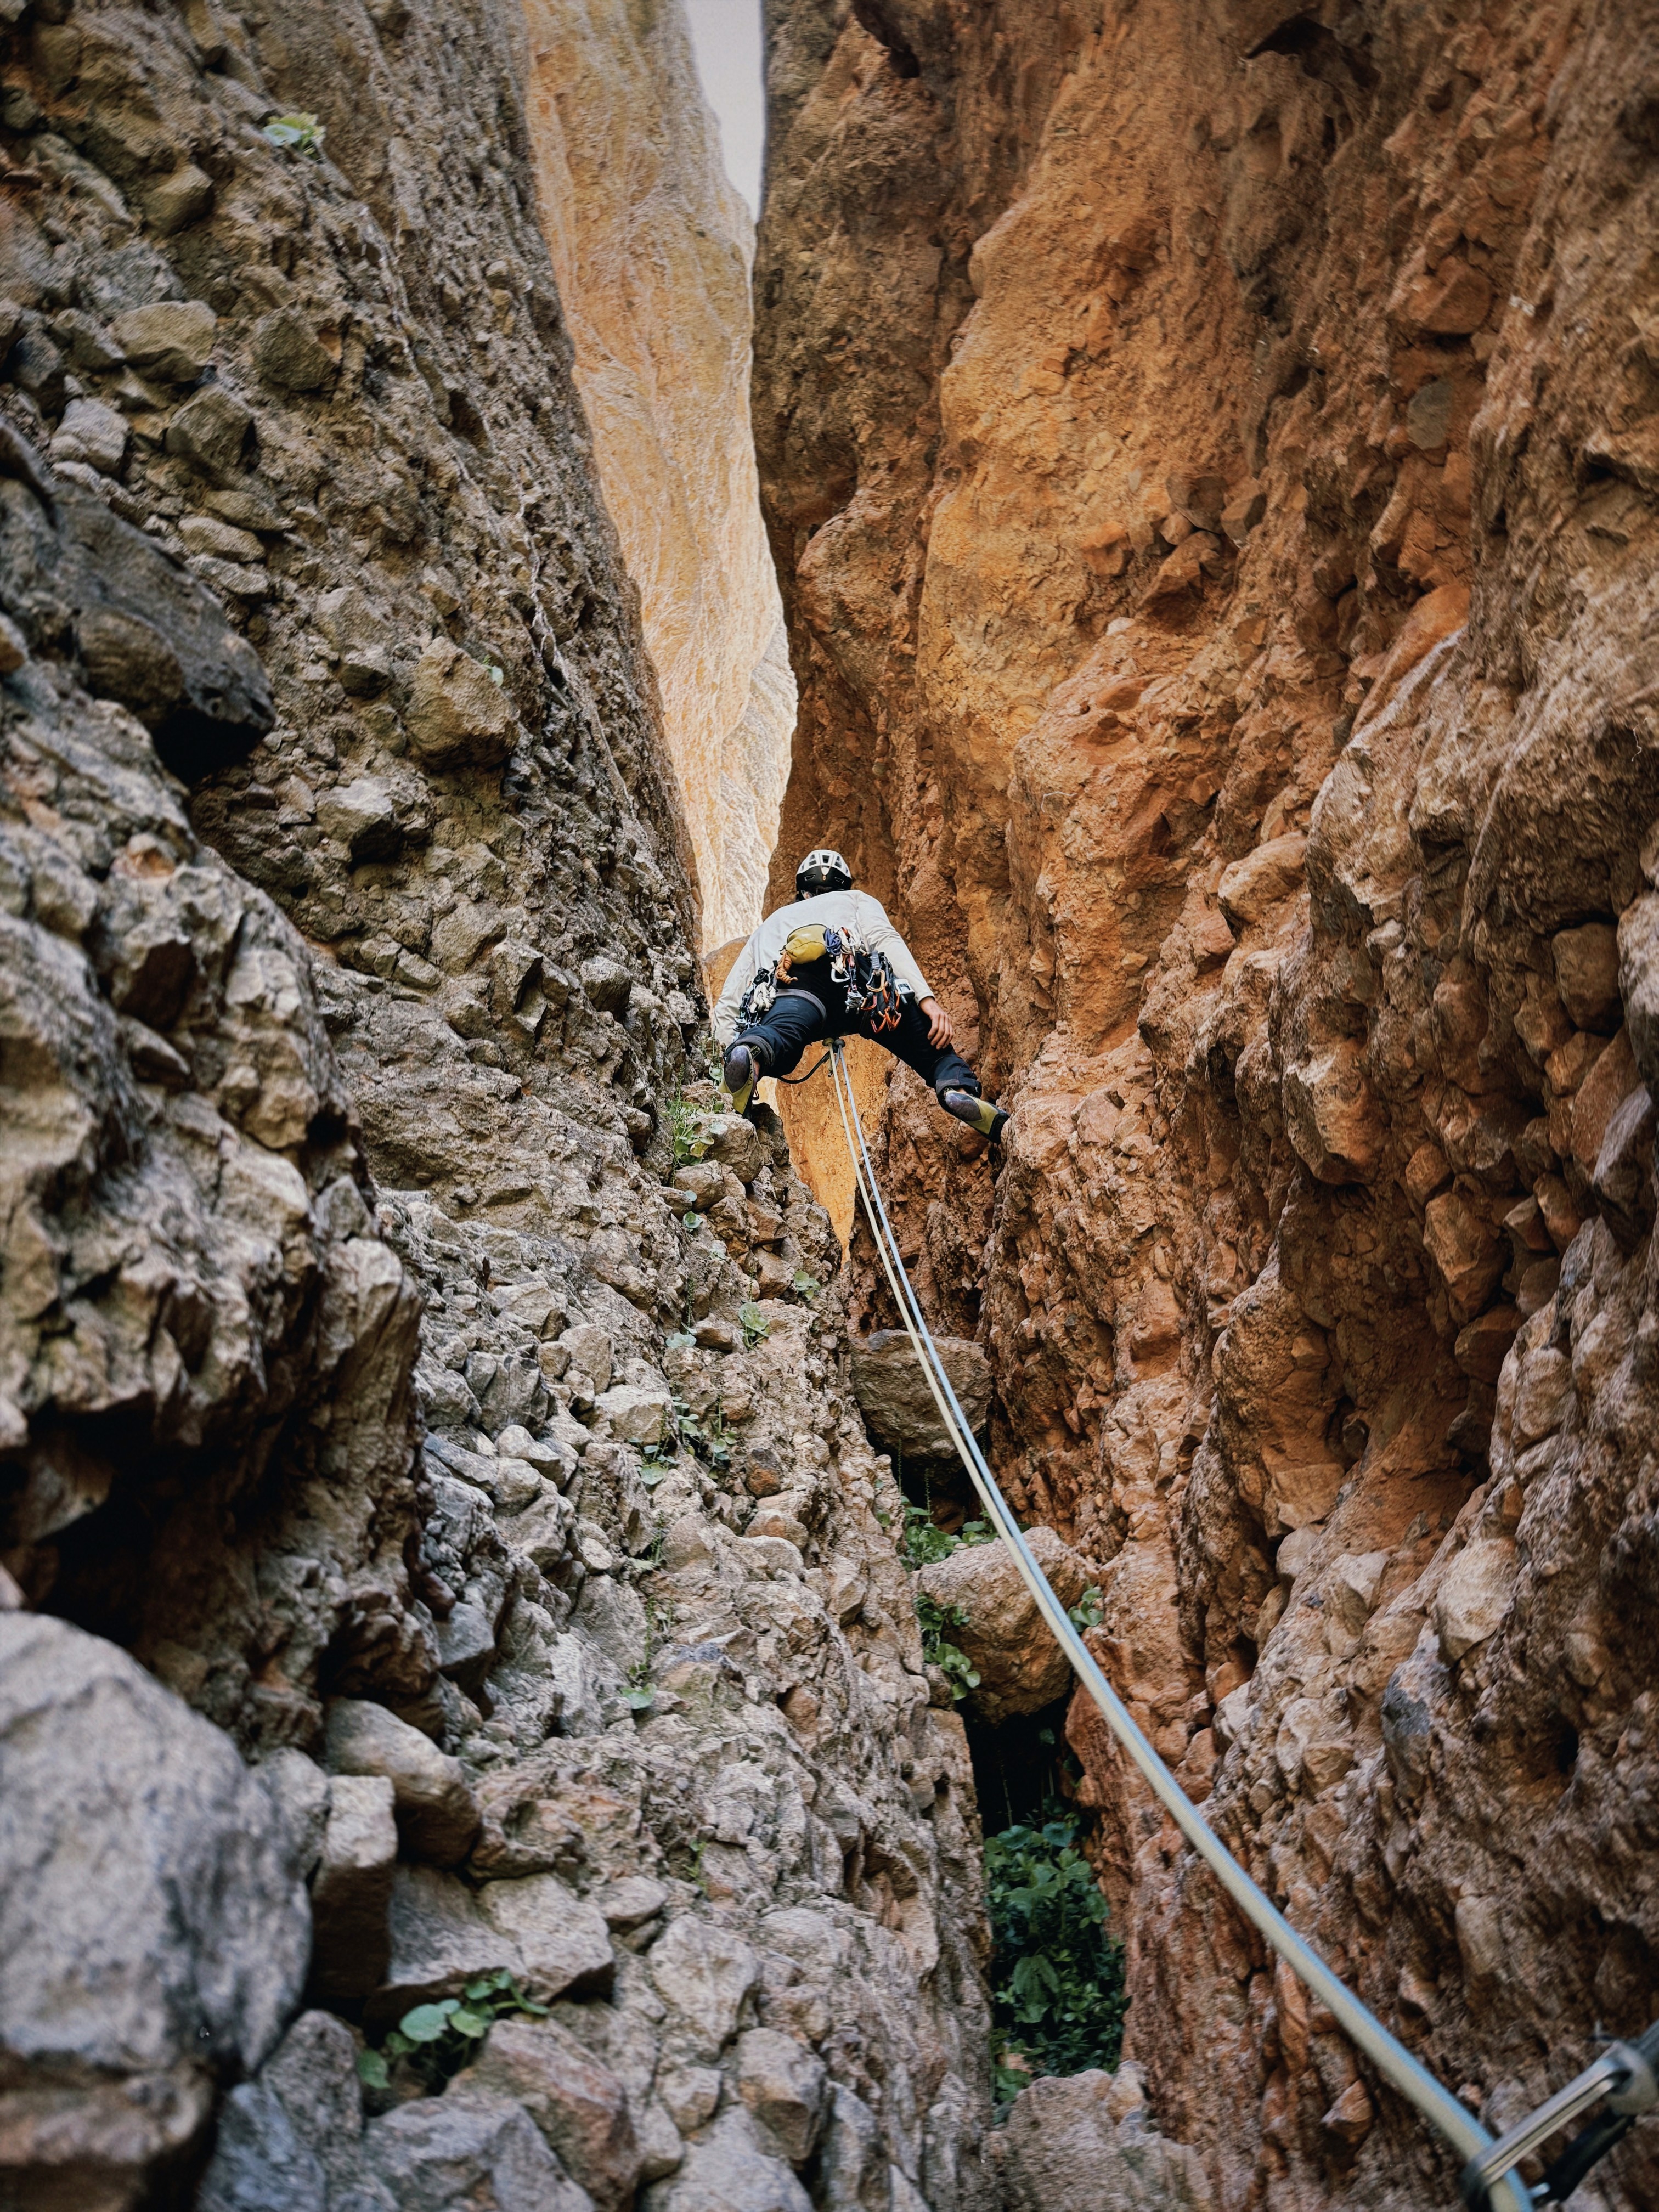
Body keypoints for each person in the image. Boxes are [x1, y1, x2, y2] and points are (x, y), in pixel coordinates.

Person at [713, 847, 1009, 1143]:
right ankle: (955, 1088)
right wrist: (926, 1000)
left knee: (776, 1039)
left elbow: (730, 1001)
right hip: (857, 981)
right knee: (930, 1053)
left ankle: (751, 1056)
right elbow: (885, 940)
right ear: (844, 884)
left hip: (797, 990)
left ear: (802, 890)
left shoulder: (772, 923)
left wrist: (724, 1056)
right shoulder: (856, 900)